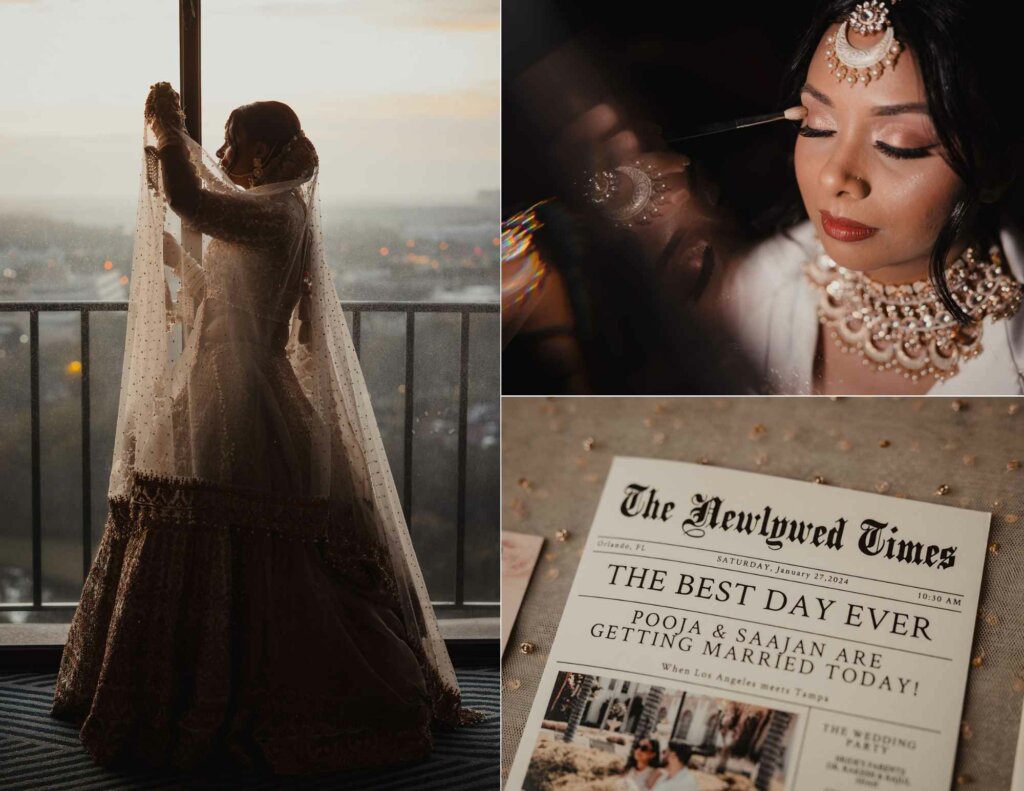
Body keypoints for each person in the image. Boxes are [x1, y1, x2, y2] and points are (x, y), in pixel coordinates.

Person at [48, 82, 481, 776]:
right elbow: (224, 303)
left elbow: (191, 199)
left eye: (227, 140)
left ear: (256, 149)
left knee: (232, 533)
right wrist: (180, 263)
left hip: (242, 389)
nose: (218, 152)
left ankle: (227, 691)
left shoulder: (279, 213)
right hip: (226, 376)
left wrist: (167, 125)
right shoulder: (273, 215)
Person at [504, 0, 1024, 394]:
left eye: (898, 144)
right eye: (817, 127)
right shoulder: (744, 298)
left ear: (996, 165)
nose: (835, 177)